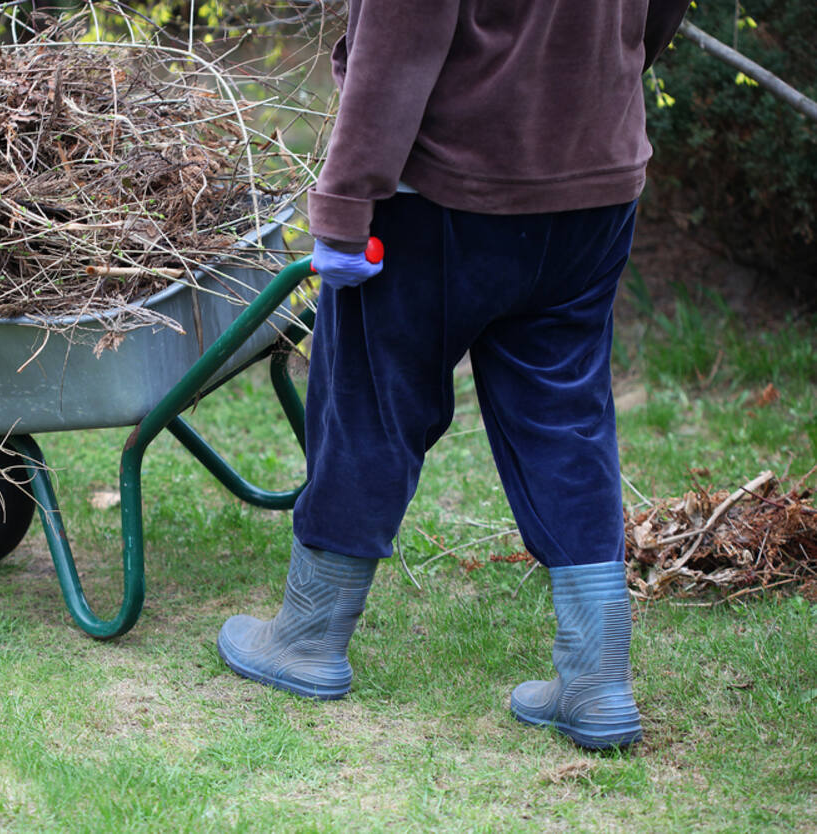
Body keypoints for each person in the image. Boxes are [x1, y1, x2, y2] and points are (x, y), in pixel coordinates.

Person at [216, 0, 691, 749]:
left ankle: (307, 638)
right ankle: (596, 680)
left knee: (373, 395)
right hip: (593, 181)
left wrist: (342, 209)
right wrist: (589, 94)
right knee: (566, 414)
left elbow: (396, 44)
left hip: (448, 188)